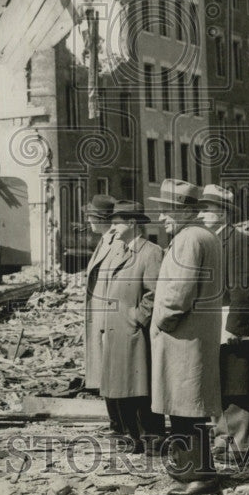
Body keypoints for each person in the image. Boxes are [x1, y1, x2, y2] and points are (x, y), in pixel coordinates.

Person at [149, 179, 223, 495]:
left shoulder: (188, 240)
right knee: (186, 404)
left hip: (183, 337)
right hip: (194, 336)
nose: (162, 218)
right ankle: (186, 469)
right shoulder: (203, 236)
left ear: (182, 212)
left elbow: (179, 293)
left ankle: (200, 474)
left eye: (166, 212)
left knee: (187, 406)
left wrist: (162, 322)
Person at [197, 184, 249, 462]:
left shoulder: (239, 242)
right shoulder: (211, 241)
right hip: (215, 325)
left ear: (223, 213)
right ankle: (222, 440)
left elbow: (245, 289)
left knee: (238, 386)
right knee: (220, 384)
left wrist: (235, 327)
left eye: (207, 209)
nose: (201, 215)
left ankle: (240, 445)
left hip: (235, 327)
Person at [98, 201, 164, 453]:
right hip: (117, 331)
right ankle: (131, 438)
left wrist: (137, 318)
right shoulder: (120, 252)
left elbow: (154, 292)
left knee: (140, 389)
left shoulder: (151, 252)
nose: (112, 228)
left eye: (116, 223)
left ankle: (152, 439)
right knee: (121, 388)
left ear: (133, 223)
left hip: (135, 332)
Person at [82, 193, 117, 404]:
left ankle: (120, 426)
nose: (88, 220)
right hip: (99, 317)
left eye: (91, 216)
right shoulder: (104, 241)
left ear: (102, 219)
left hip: (108, 319)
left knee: (113, 375)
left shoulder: (114, 242)